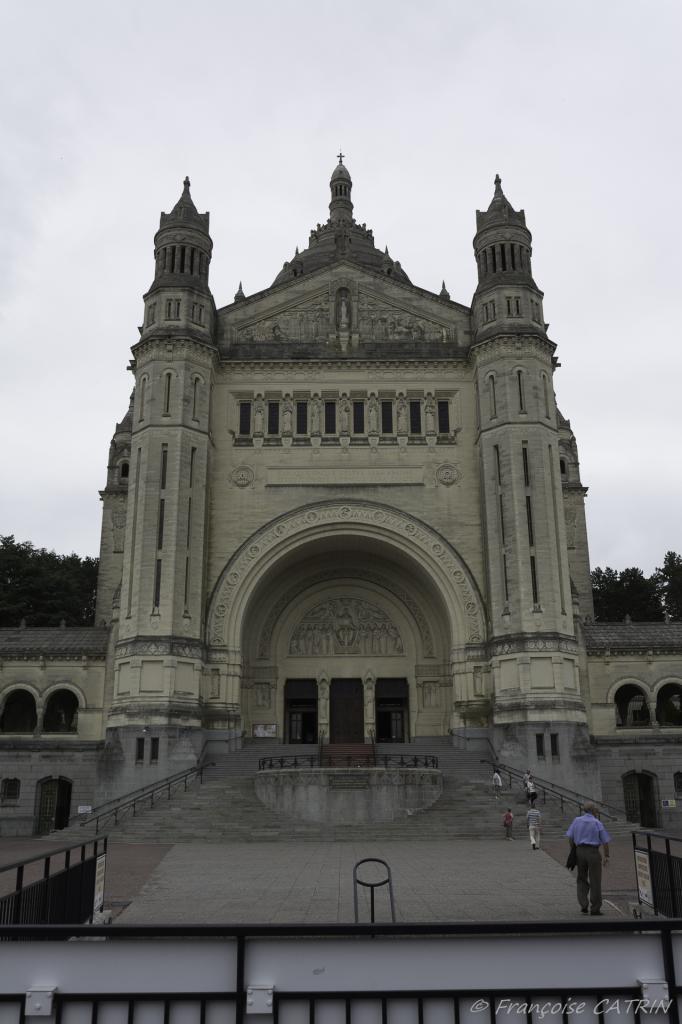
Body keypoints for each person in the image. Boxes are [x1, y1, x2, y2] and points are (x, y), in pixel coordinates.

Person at [565, 803, 611, 916]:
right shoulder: (597, 822)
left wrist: (573, 849)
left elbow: (570, 837)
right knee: (595, 879)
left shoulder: (576, 820)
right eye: (596, 808)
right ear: (592, 810)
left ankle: (583, 904)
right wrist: (606, 855)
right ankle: (595, 908)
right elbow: (605, 841)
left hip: (580, 851)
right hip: (593, 852)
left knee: (581, 878)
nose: (597, 809)